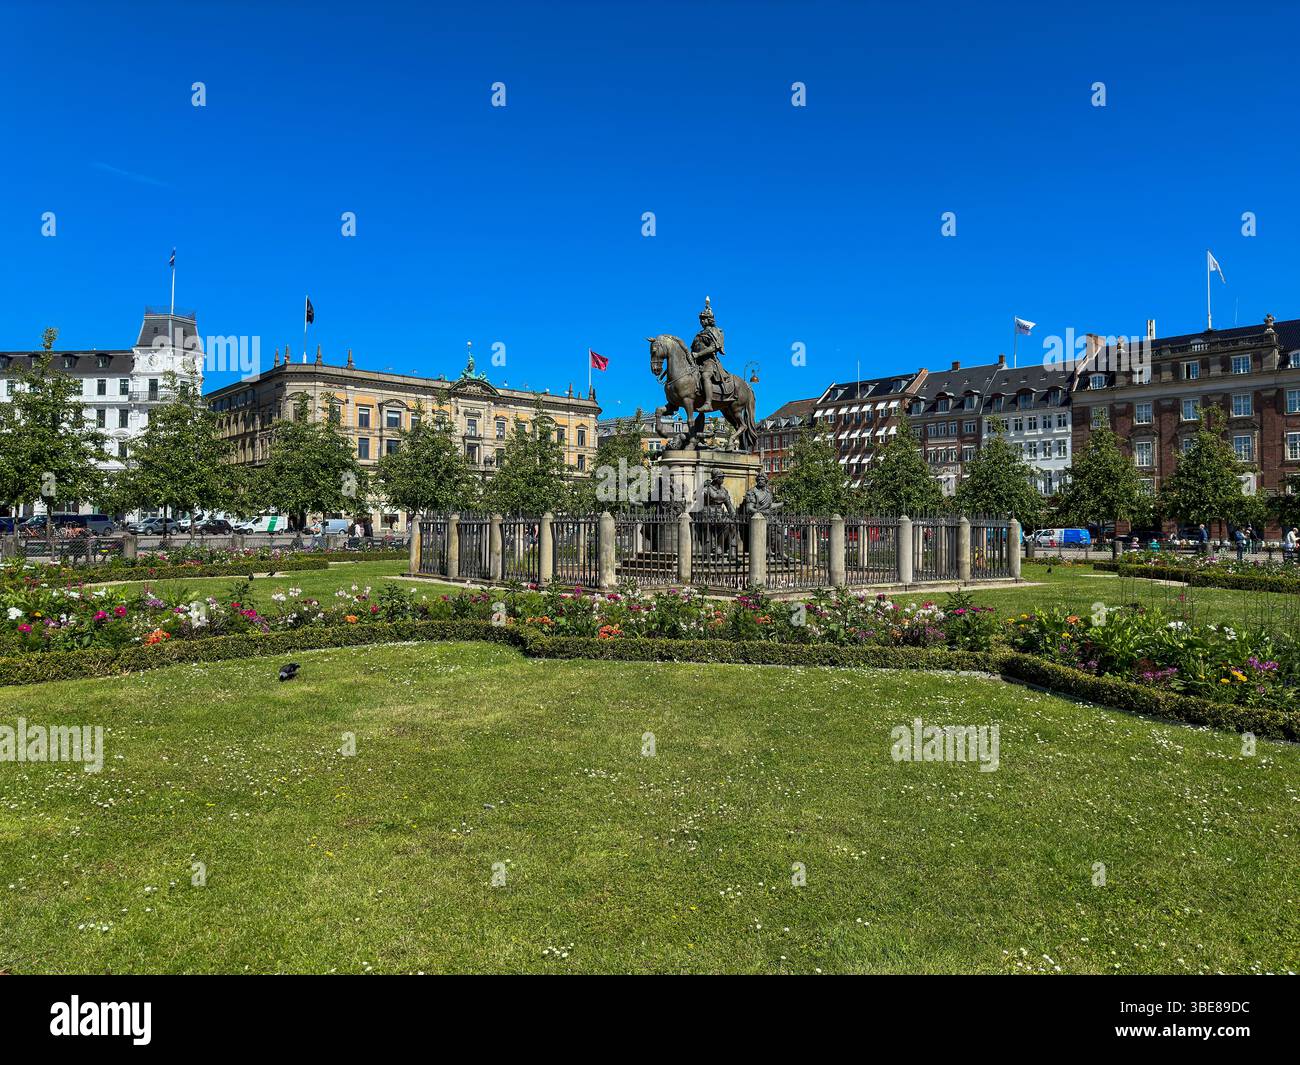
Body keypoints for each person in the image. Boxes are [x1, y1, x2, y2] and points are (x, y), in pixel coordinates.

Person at [689, 296, 727, 412]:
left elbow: (713, 347)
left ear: (709, 319)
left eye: (703, 319)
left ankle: (708, 403)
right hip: (697, 363)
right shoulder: (699, 333)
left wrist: (698, 355)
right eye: (701, 319)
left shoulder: (714, 331)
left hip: (710, 362)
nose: (701, 321)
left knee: (705, 376)